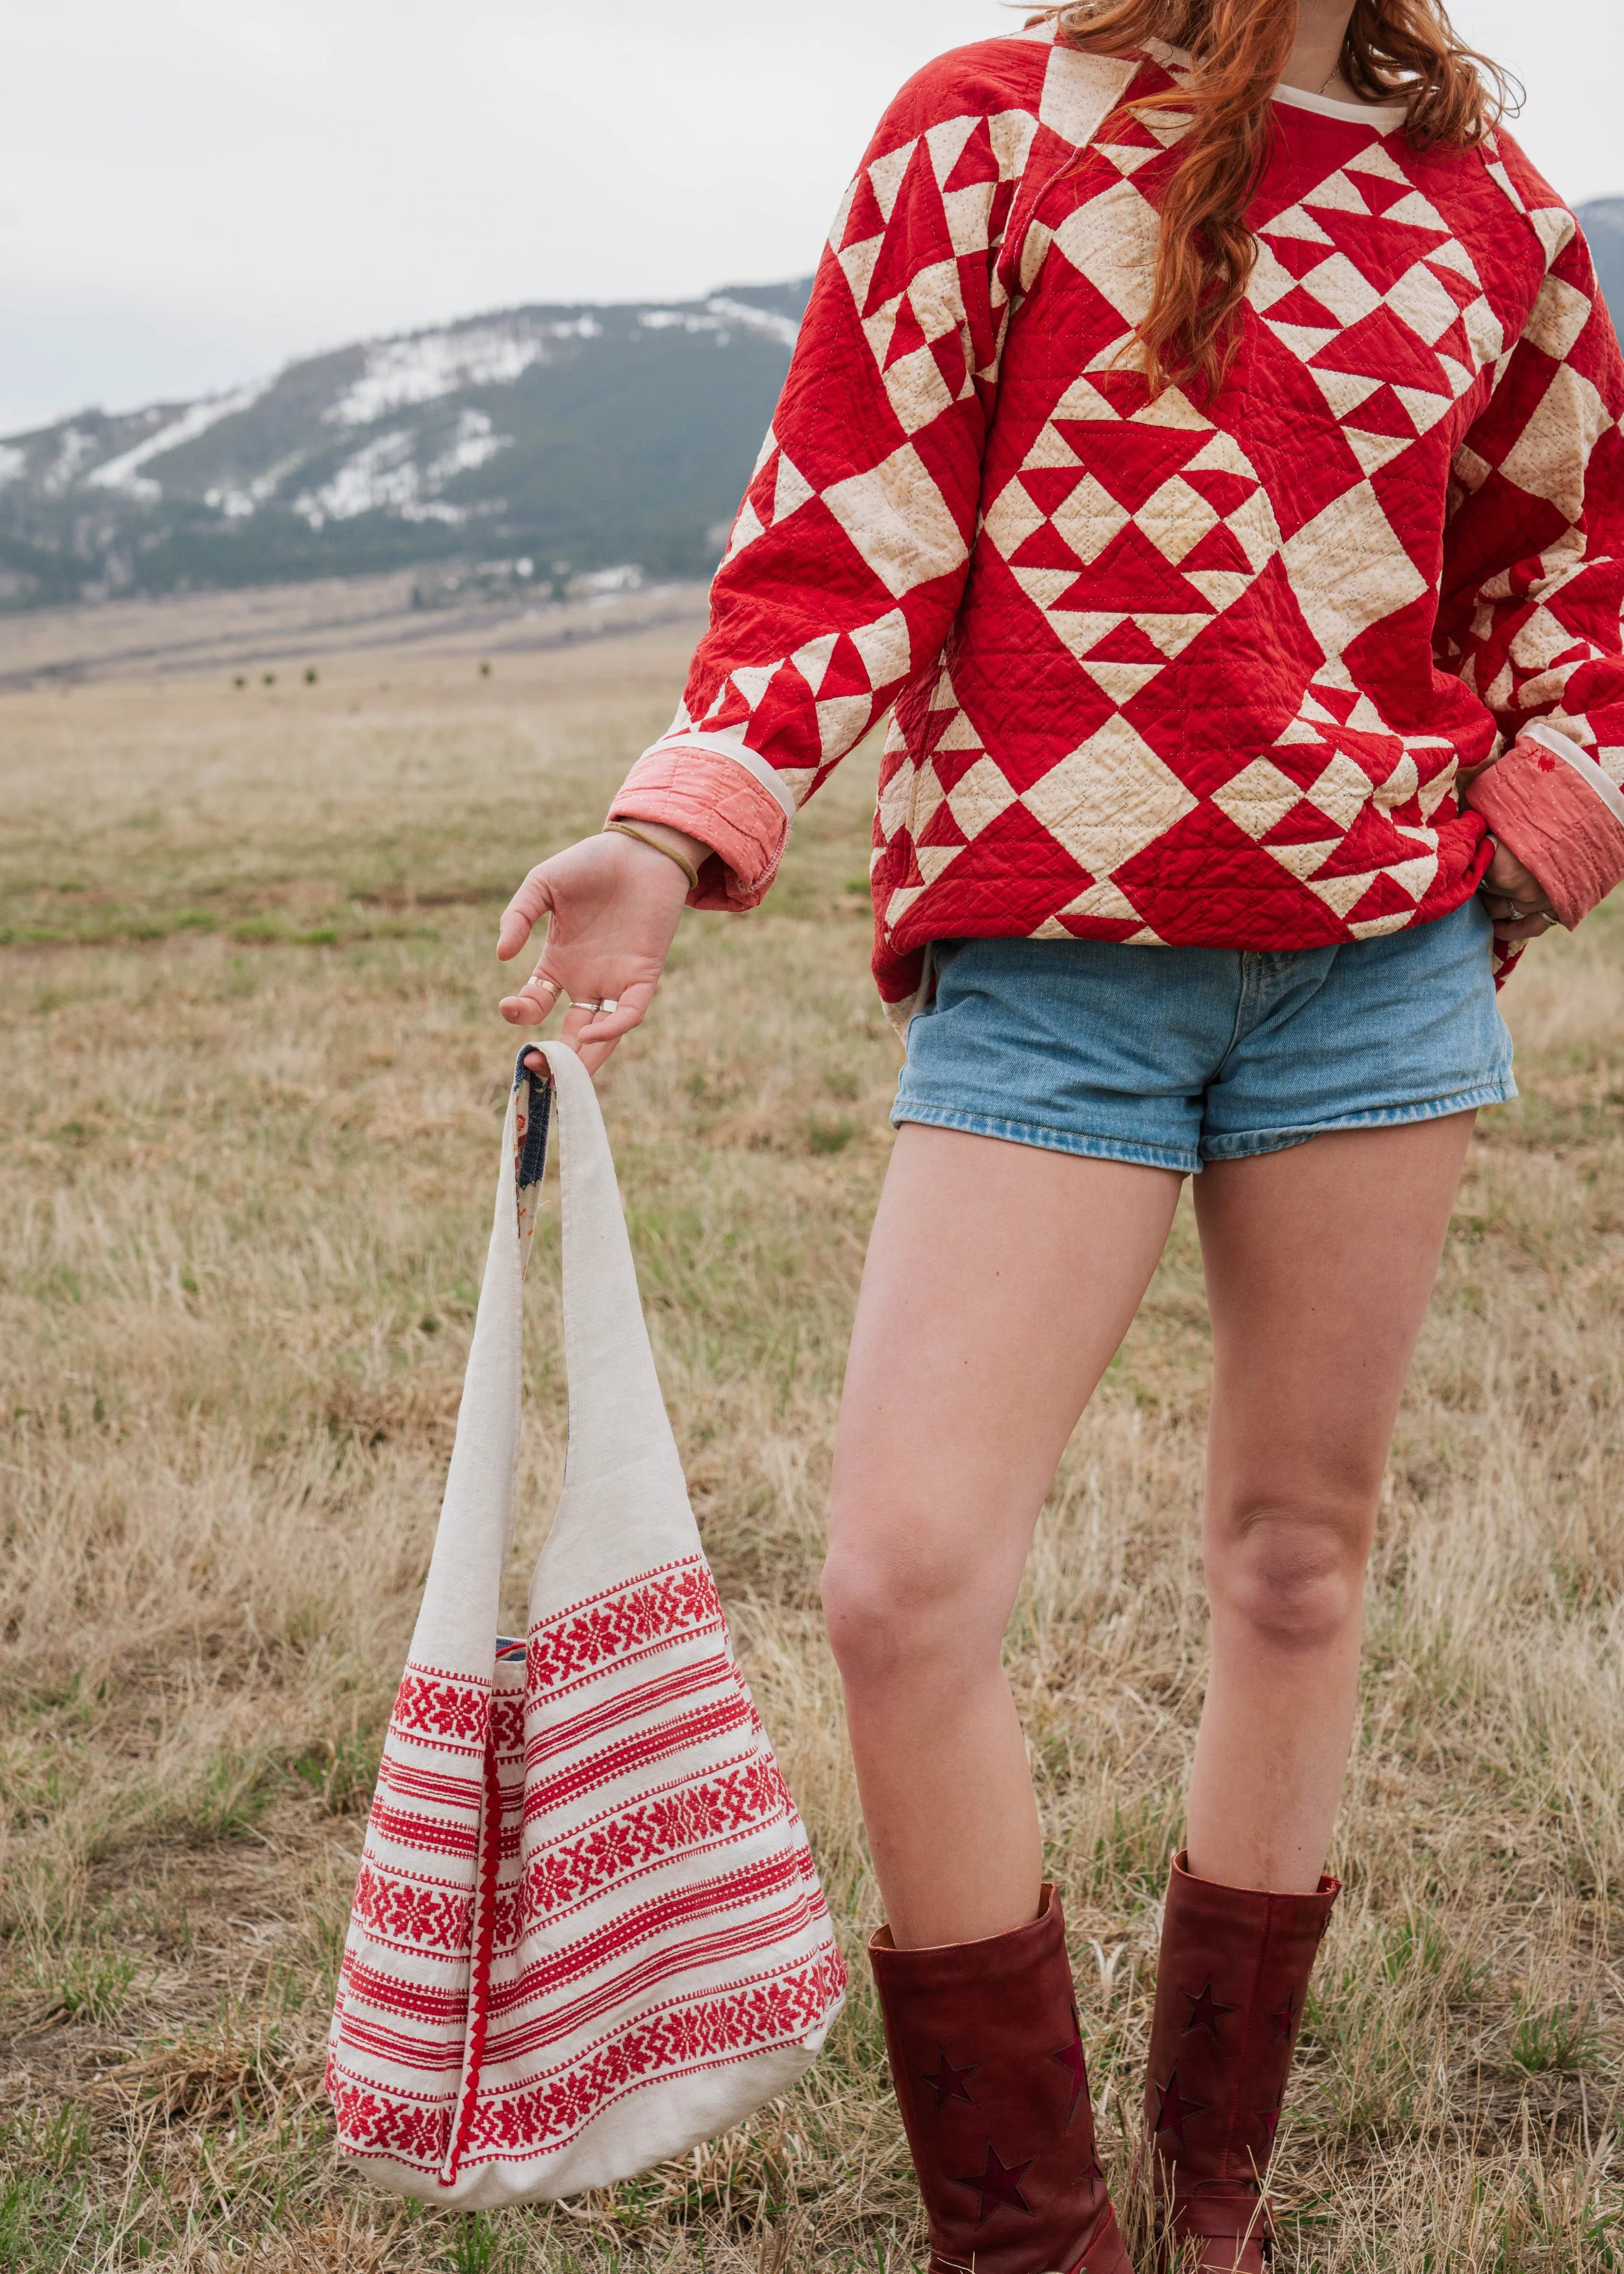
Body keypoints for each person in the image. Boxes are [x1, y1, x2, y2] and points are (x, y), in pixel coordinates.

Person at [496, 1, 1624, 2265]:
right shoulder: (979, 129)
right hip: (1049, 968)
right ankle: (1033, 2243)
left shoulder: (1492, 208)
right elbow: (844, 533)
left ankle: (1214, 2210)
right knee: (902, 1592)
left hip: (1370, 976)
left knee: (1295, 1567)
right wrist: (677, 820)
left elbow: (1574, 579)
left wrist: (1527, 832)